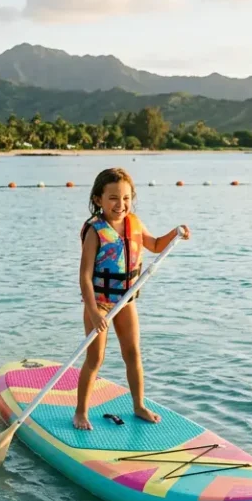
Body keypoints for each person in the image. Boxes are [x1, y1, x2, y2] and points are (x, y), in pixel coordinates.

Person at [75, 167, 190, 430]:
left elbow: (156, 245)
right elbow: (85, 276)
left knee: (133, 353)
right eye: (113, 197)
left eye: (126, 198)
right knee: (95, 359)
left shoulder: (134, 223)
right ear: (98, 200)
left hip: (125, 300)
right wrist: (93, 311)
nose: (121, 204)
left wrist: (176, 233)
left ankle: (138, 406)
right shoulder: (95, 231)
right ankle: (81, 412)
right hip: (101, 303)